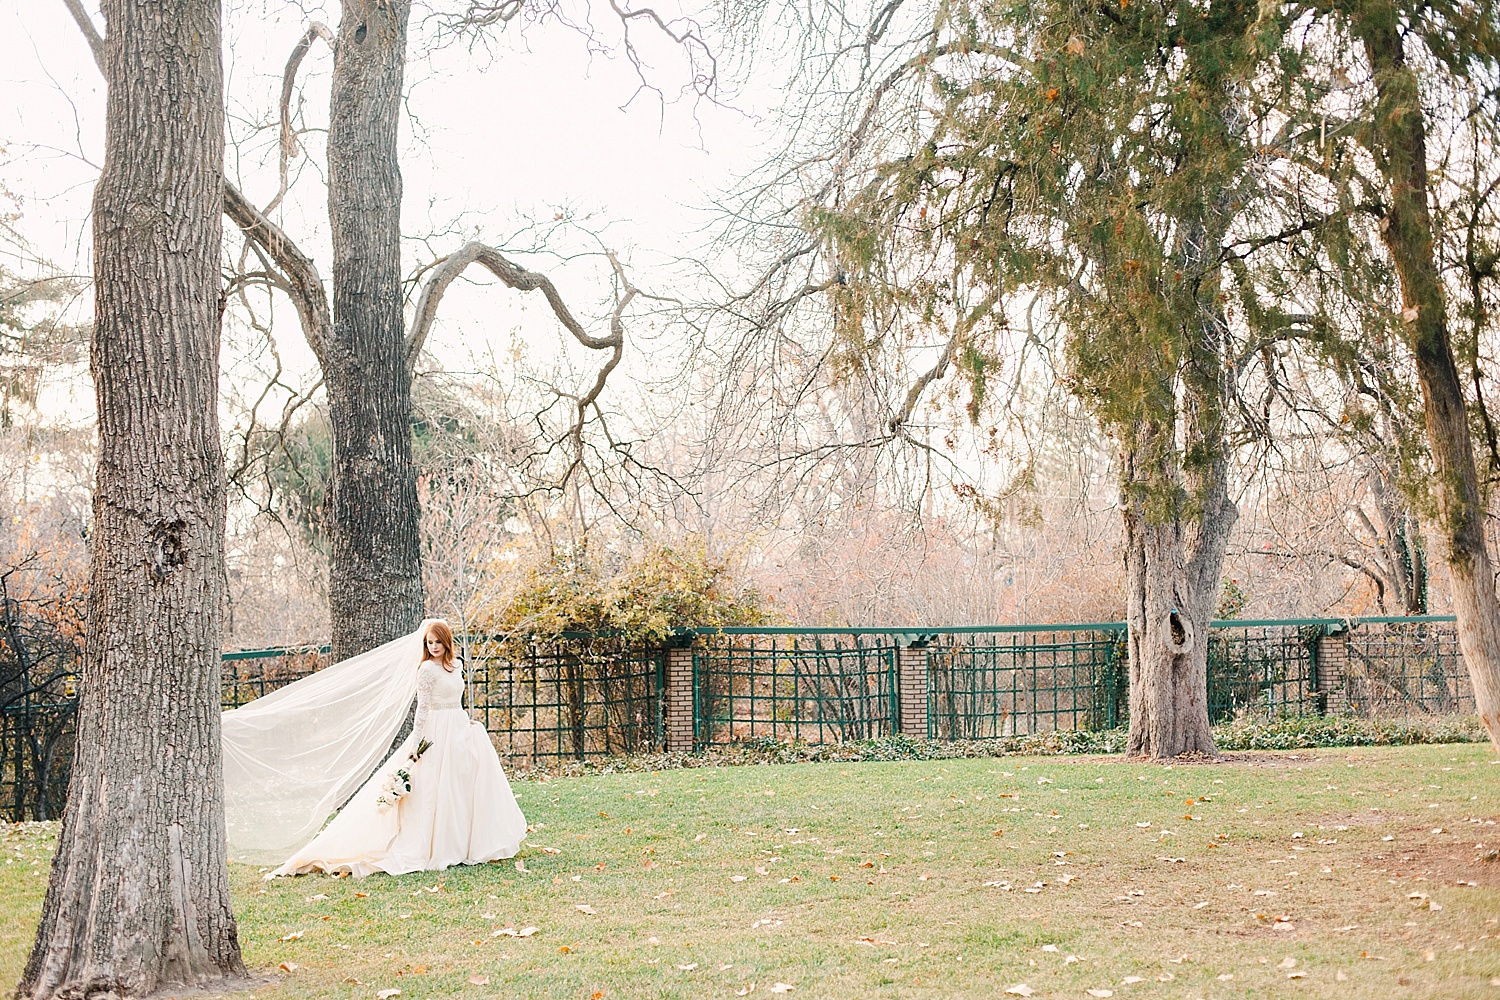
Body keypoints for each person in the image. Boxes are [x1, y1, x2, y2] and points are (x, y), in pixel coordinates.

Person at [264, 620, 527, 877]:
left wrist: (465, 719)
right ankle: (432, 845)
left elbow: (454, 698)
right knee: (433, 788)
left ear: (447, 641)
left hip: (458, 729)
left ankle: (461, 843)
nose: (434, 647)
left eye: (437, 642)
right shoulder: (425, 670)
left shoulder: (456, 666)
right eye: (429, 642)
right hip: (435, 731)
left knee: (458, 786)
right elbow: (423, 707)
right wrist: (416, 743)